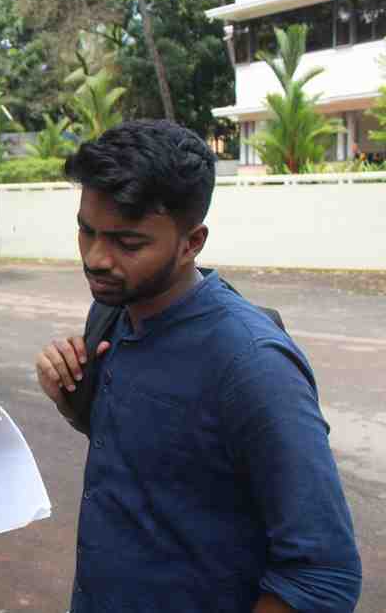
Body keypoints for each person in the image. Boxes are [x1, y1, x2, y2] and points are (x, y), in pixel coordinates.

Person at [34, 120, 362, 612]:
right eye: (86, 231)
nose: (97, 258)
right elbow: (160, 457)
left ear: (192, 242)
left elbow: (322, 575)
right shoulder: (112, 310)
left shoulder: (252, 364)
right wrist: (73, 402)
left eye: (128, 242)